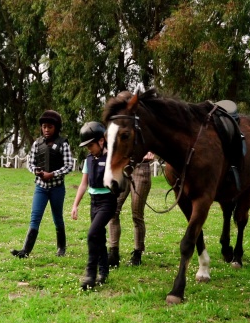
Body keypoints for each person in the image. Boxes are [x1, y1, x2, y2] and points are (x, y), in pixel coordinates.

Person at [11, 110, 74, 258]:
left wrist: (53, 174)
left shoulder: (63, 144)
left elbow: (69, 165)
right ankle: (25, 251)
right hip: (41, 187)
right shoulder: (36, 143)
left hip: (57, 188)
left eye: (50, 127)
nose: (46, 130)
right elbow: (30, 162)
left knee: (57, 217)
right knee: (35, 217)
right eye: (44, 127)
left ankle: (61, 247)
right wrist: (36, 171)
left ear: (56, 128)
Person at [71, 121, 118, 290]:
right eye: (86, 146)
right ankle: (104, 272)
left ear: (101, 141)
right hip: (94, 201)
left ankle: (90, 273)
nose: (88, 149)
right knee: (99, 237)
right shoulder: (88, 160)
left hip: (108, 202)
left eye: (90, 145)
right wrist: (75, 204)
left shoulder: (112, 158)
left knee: (92, 234)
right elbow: (83, 184)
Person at [108, 151, 154, 266]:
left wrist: (152, 152)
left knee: (137, 215)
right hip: (122, 168)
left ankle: (137, 254)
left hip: (141, 167)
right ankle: (113, 252)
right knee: (112, 211)